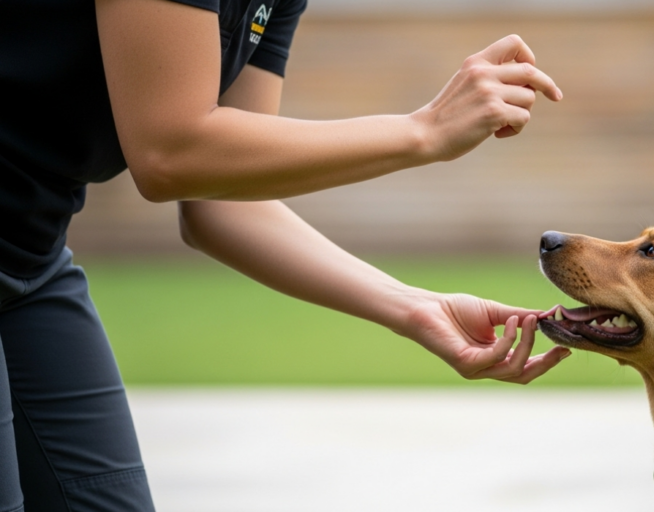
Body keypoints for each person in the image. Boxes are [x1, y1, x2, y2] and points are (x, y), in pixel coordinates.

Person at [0, 0, 569, 509]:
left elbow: (221, 203)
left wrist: (415, 307)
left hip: (31, 257)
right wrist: (423, 130)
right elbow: (168, 150)